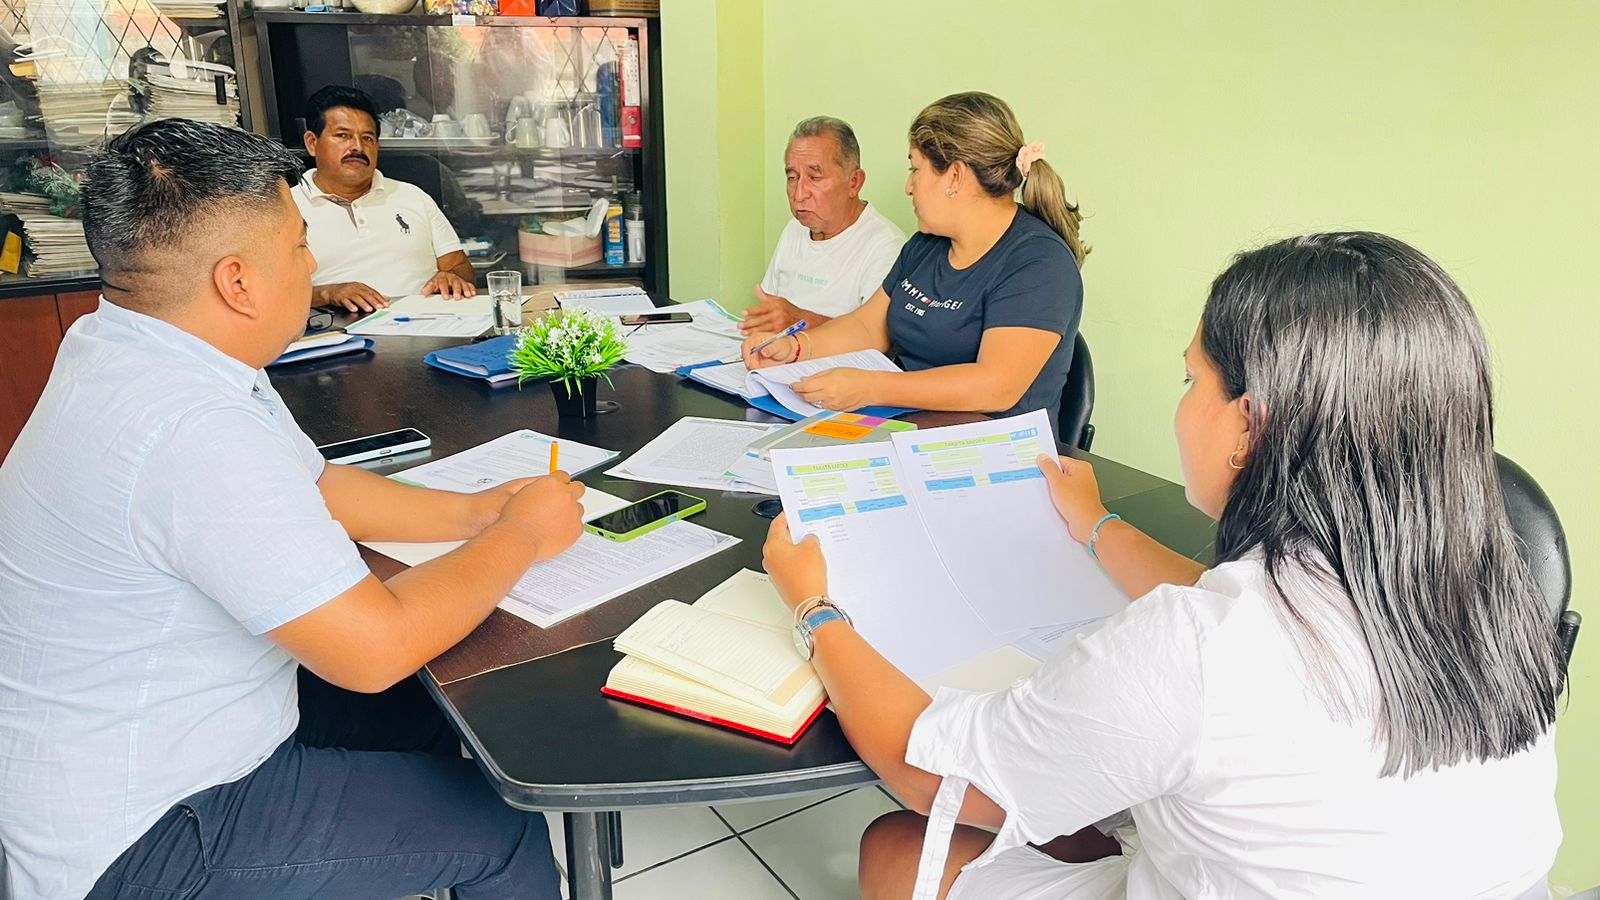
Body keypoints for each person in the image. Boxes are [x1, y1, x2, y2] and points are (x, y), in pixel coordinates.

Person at [762, 232, 1563, 899]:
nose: (1182, 403)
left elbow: (925, 767)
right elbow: (1266, 620)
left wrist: (814, 607)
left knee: (898, 849)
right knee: (1084, 812)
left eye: (1191, 378)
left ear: (1250, 425)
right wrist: (1096, 525)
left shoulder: (1198, 649)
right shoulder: (1489, 592)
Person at [0, 118, 582, 900]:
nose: (312, 267)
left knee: (432, 714)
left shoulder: (139, 347)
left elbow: (316, 484)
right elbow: (374, 649)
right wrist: (520, 536)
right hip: (142, 827)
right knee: (502, 831)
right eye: (301, 246)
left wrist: (473, 513)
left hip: (164, 732)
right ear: (237, 283)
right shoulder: (191, 426)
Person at [743, 91, 1087, 423]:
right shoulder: (927, 245)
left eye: (915, 169)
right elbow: (867, 326)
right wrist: (796, 347)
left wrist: (871, 388)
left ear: (955, 176)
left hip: (993, 446)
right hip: (907, 427)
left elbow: (996, 386)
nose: (908, 186)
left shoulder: (1040, 263)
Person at [295, 85, 477, 313]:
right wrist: (327, 293)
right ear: (312, 143)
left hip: (431, 325)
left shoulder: (412, 196)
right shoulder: (285, 207)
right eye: (343, 136)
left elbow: (460, 267)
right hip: (337, 330)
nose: (357, 147)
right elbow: (267, 295)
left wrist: (451, 279)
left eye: (367, 138)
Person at [739, 116, 906, 335]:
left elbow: (876, 338)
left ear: (854, 182)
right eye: (792, 178)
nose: (799, 194)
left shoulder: (885, 246)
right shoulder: (794, 228)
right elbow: (770, 311)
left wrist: (800, 321)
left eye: (814, 177)